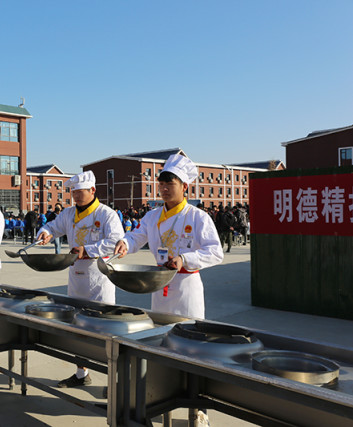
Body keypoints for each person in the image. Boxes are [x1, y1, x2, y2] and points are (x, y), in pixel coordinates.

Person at [37, 171, 124, 388]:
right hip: (76, 277)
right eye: (73, 192)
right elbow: (52, 227)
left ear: (93, 191)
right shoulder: (68, 214)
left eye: (79, 192)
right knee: (77, 326)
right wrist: (45, 232)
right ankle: (81, 374)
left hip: (99, 278)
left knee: (104, 330)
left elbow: (116, 241)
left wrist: (88, 250)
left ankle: (114, 381)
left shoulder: (106, 214)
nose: (75, 196)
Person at [114, 154, 223, 319]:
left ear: (184, 186)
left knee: (186, 334)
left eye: (170, 184)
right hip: (159, 285)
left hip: (186, 287)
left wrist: (184, 259)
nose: (164, 189)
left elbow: (215, 252)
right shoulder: (152, 216)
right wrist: (125, 243)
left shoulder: (197, 217)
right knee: (160, 331)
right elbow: (136, 236)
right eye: (161, 184)